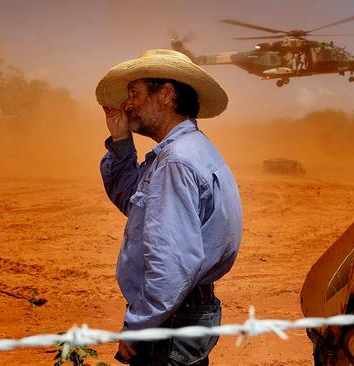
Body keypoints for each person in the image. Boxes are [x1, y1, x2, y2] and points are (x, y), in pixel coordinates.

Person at [95, 49, 243, 366]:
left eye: (134, 93)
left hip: (172, 318)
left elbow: (172, 261)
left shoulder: (176, 161)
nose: (127, 103)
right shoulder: (187, 151)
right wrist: (120, 140)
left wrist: (139, 326)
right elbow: (132, 201)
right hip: (183, 311)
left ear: (166, 94)